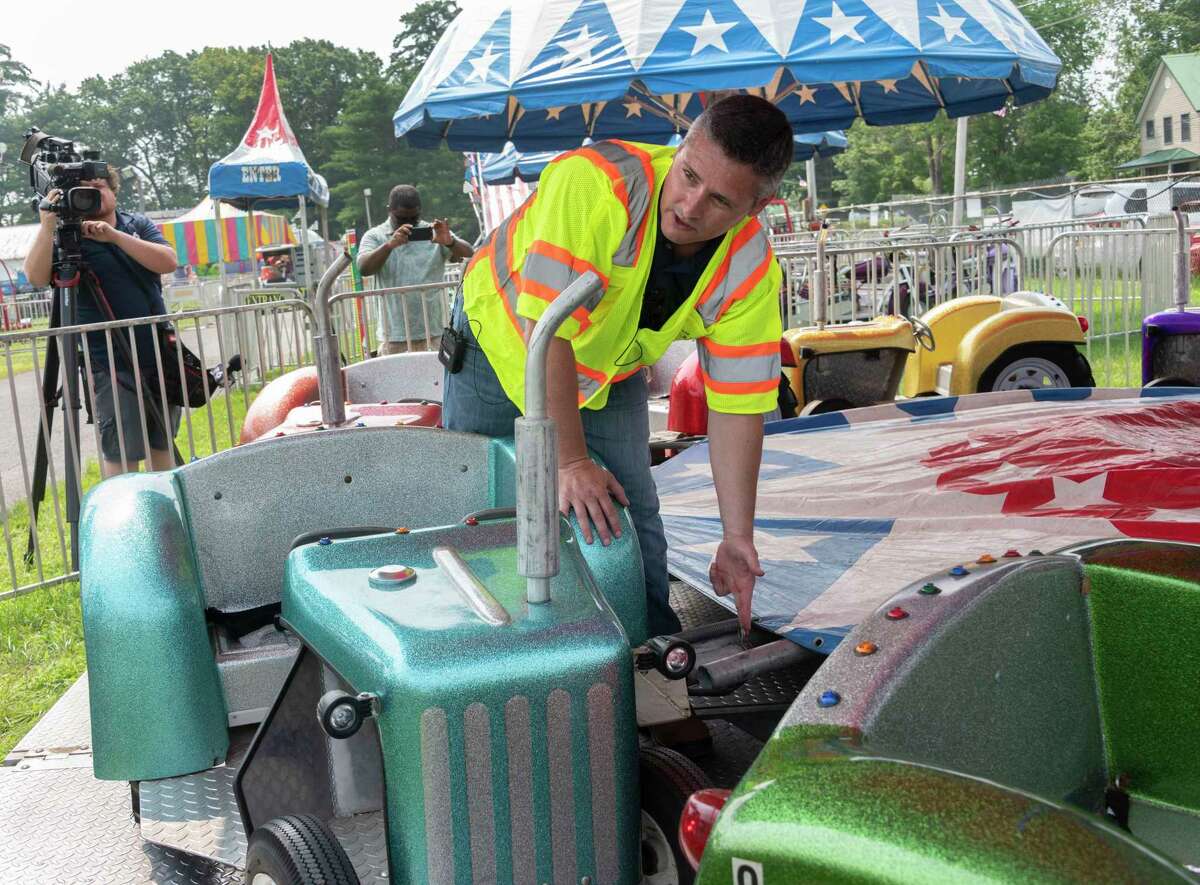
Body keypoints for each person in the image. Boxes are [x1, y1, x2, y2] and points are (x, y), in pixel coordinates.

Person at [443, 95, 793, 637]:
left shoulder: (750, 266)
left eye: (720, 200)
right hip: (500, 346)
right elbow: (548, 331)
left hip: (604, 369)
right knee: (480, 514)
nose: (691, 207)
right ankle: (481, 654)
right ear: (678, 150)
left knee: (625, 518)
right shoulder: (593, 182)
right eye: (688, 176)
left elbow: (738, 408)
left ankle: (649, 659)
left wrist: (737, 537)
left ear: (756, 209)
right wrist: (571, 462)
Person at [24, 165, 180, 477]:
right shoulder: (66, 237)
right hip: (108, 361)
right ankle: (124, 521)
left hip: (157, 352)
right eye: (85, 189)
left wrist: (113, 236)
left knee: (161, 444)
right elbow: (37, 276)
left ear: (113, 190)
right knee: (121, 452)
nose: (95, 193)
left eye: (100, 186)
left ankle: (168, 514)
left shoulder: (136, 224)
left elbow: (167, 261)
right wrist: (46, 228)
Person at [357, 185, 474, 354]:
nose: (409, 224)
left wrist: (450, 242)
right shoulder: (375, 235)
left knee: (437, 380)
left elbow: (470, 256)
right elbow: (363, 268)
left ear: (420, 210)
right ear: (389, 210)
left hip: (435, 331)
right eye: (402, 218)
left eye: (414, 218)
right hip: (395, 335)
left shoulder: (433, 232)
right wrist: (389, 245)